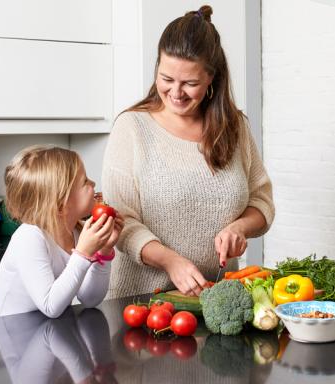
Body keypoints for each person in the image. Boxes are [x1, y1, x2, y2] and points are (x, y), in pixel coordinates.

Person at [102, 5, 274, 298]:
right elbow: (121, 220)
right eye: (167, 79)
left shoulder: (235, 127)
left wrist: (240, 227)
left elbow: (262, 201)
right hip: (142, 303)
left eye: (190, 83)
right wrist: (171, 261)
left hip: (215, 300)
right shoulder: (132, 127)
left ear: (211, 78)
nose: (176, 92)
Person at [0, 145, 123, 318]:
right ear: (60, 204)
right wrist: (82, 254)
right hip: (10, 333)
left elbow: (90, 299)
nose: (93, 183)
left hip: (45, 331)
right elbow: (50, 306)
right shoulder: (29, 237)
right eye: (85, 182)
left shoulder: (77, 231)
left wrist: (103, 252)